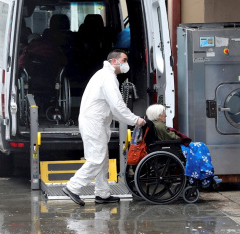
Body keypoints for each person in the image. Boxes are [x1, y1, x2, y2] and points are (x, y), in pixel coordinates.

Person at [63, 49, 146, 206]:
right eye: (124, 60)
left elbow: (112, 108)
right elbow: (117, 105)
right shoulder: (107, 77)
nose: (126, 63)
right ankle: (72, 187)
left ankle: (102, 194)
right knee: (97, 159)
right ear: (114, 61)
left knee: (103, 159)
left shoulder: (106, 76)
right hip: (94, 123)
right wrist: (135, 120)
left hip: (96, 122)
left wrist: (130, 119)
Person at [145, 104, 221, 188]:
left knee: (198, 147)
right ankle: (205, 174)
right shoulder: (160, 126)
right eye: (164, 113)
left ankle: (204, 174)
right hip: (173, 148)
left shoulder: (155, 125)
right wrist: (180, 138)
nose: (166, 115)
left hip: (164, 147)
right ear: (158, 115)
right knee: (201, 146)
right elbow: (174, 138)